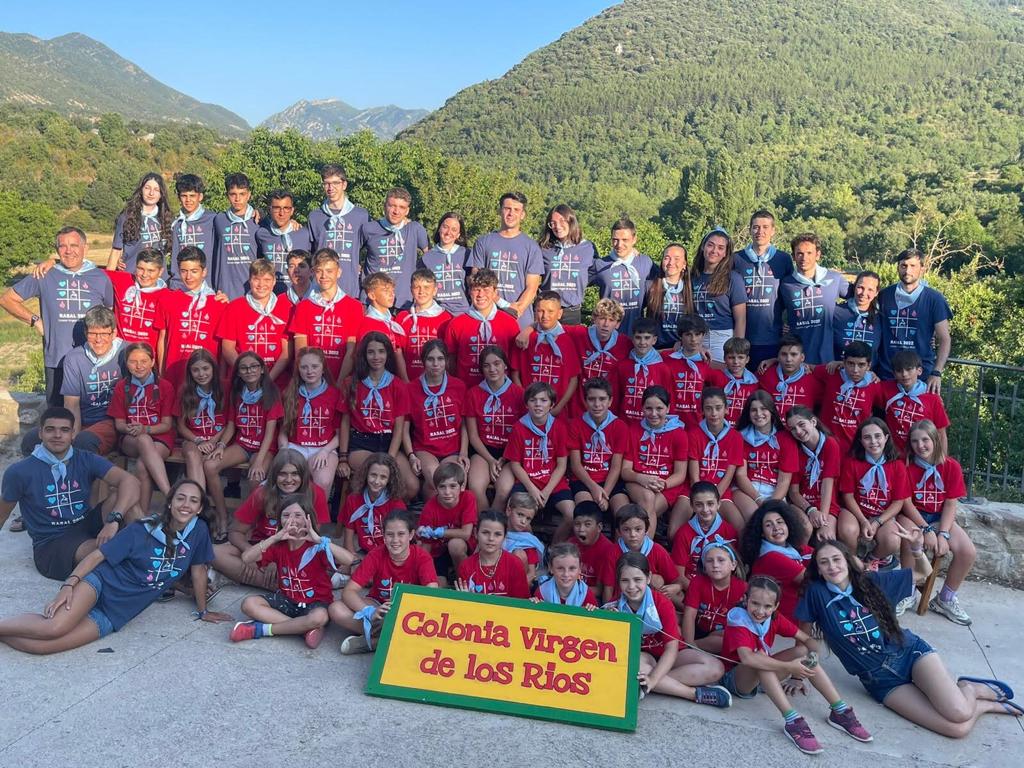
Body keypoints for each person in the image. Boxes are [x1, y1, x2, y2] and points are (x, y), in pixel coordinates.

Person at [799, 539, 1021, 737]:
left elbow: (923, 572)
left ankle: (970, 689)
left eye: (836, 559)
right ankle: (983, 705)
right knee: (957, 729)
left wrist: (916, 549)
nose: (832, 566)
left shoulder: (872, 581)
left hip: (909, 653)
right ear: (818, 570)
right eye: (824, 562)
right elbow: (804, 636)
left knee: (960, 713)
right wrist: (799, 674)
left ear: (848, 561)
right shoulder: (816, 593)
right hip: (879, 679)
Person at [0, 478, 231, 654]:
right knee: (53, 628)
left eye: (193, 501)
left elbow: (198, 571)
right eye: (180, 498)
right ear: (170, 503)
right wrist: (69, 585)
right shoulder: (143, 529)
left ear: (199, 508)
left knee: (43, 647)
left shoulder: (199, 531)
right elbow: (97, 556)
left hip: (117, 612)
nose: (186, 505)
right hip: (101, 584)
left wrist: (203, 611)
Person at [722, 575, 871, 755]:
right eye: (755, 603)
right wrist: (789, 668)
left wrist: (806, 665)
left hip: (764, 677)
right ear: (746, 599)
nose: (760, 611)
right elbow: (748, 659)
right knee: (760, 658)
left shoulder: (774, 618)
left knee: (802, 651)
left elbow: (808, 641)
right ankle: (793, 721)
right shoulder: (739, 620)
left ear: (776, 606)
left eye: (767, 606)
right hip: (737, 680)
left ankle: (840, 711)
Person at [0, 407, 141, 581]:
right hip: (53, 543)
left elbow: (131, 482)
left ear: (73, 434)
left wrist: (114, 519)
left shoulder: (85, 458)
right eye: (50, 429)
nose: (57, 435)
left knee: (126, 499)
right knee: (110, 551)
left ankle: (156, 552)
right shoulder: (19, 472)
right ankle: (149, 566)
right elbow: (2, 515)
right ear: (40, 433)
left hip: (85, 525)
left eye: (64, 430)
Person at [0, 226, 113, 407]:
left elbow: (110, 312)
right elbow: (7, 299)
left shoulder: (100, 277)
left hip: (93, 359)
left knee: (93, 414)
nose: (68, 251)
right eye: (62, 246)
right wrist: (35, 321)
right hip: (57, 359)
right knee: (58, 417)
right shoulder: (44, 275)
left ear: (85, 248)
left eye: (74, 245)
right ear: (57, 249)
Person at [610, 552, 731, 708]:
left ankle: (648, 684)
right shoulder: (614, 606)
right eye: (625, 580)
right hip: (644, 658)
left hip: (672, 655)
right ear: (618, 581)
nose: (631, 586)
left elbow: (672, 648)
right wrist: (598, 614)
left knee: (716, 668)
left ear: (648, 578)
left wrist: (653, 679)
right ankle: (693, 693)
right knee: (634, 666)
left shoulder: (662, 603)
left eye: (637, 580)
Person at [230, 498, 355, 649]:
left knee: (319, 617)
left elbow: (349, 560)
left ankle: (261, 629)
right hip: (287, 600)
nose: (292, 520)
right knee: (249, 604)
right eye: (286, 515)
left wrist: (319, 539)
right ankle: (303, 629)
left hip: (316, 603)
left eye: (298, 515)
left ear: (308, 519)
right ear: (280, 520)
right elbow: (246, 558)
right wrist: (274, 538)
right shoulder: (278, 545)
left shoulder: (318, 546)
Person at [212, 449, 330, 591]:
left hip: (296, 551)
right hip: (263, 547)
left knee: (322, 563)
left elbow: (310, 538)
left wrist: (277, 560)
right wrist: (252, 554)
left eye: (295, 474)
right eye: (283, 474)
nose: (289, 480)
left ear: (303, 475)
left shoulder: (316, 493)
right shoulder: (262, 494)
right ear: (274, 475)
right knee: (214, 553)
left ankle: (264, 581)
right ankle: (284, 586)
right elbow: (235, 532)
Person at [330, 508, 438, 655]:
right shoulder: (376, 554)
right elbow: (349, 591)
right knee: (336, 608)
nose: (395, 540)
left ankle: (374, 642)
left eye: (401, 534)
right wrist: (370, 612)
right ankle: (390, 639)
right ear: (384, 536)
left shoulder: (422, 557)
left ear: (411, 535)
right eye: (390, 534)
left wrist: (404, 613)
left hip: (409, 613)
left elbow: (432, 595)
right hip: (378, 605)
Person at [905, 419, 976, 625]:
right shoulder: (906, 466)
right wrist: (925, 529)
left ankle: (945, 599)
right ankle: (907, 592)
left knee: (967, 552)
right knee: (909, 538)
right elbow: (906, 504)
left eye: (925, 440)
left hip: (939, 518)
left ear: (935, 440)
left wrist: (943, 534)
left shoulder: (950, 466)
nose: (920, 445)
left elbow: (950, 504)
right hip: (913, 516)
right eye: (915, 441)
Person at [337, 332, 418, 497]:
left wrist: (390, 459)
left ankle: (387, 509)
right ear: (364, 355)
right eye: (371, 352)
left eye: (381, 351)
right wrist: (343, 457)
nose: (376, 357)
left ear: (388, 354)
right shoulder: (351, 383)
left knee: (412, 486)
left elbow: (398, 429)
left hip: (388, 442)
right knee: (377, 472)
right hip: (361, 443)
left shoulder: (398, 385)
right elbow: (345, 421)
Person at [495, 382, 574, 541]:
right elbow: (515, 464)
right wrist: (532, 489)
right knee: (519, 518)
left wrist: (546, 491)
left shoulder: (559, 427)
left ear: (552, 404)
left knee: (571, 515)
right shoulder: (519, 427)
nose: (538, 404)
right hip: (527, 481)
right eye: (533, 400)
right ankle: (530, 545)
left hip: (552, 481)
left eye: (543, 400)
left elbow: (561, 465)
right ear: (526, 404)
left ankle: (554, 549)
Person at [210, 352, 282, 526]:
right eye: (244, 368)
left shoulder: (272, 392)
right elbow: (231, 425)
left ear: (262, 369)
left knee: (255, 477)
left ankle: (249, 523)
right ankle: (222, 515)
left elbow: (270, 433)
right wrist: (221, 445)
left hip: (264, 448)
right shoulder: (237, 393)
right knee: (209, 465)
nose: (249, 371)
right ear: (239, 372)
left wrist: (258, 461)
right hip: (243, 444)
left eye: (254, 366)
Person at [107, 342, 174, 519]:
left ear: (152, 362)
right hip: (131, 438)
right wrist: (134, 429)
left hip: (160, 436)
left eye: (144, 361)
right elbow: (119, 424)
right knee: (143, 440)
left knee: (143, 466)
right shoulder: (122, 386)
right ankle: (170, 495)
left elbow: (167, 425)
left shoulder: (165, 386)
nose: (139, 366)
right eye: (133, 361)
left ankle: (142, 517)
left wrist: (146, 429)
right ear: (126, 363)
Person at [875, 248, 953, 392]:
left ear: (922, 269)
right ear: (898, 267)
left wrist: (937, 372)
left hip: (921, 378)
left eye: (913, 266)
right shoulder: (884, 295)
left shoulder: (934, 299)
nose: (907, 270)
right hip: (886, 375)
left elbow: (944, 339)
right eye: (903, 266)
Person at [838, 418, 912, 567]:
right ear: (861, 441)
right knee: (848, 530)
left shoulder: (897, 465)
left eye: (878, 436)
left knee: (892, 541)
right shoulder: (852, 462)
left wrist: (877, 522)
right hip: (856, 511)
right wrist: (863, 521)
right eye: (867, 437)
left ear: (886, 438)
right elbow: (848, 496)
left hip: (883, 515)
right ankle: (853, 561)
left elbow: (898, 502)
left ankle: (871, 560)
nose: (873, 441)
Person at [173, 349, 230, 538]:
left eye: (205, 369)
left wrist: (214, 441)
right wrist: (198, 440)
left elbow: (231, 421)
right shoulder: (185, 391)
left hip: (220, 440)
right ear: (190, 372)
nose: (201, 374)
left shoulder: (224, 387)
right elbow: (181, 426)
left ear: (213, 369)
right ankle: (199, 511)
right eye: (196, 370)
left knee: (209, 465)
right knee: (191, 454)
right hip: (193, 439)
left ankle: (221, 516)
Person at [156, 246, 229, 391]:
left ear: (204, 272)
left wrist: (221, 378)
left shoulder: (219, 303)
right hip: (175, 374)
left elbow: (223, 347)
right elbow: (163, 339)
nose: (188, 277)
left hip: (207, 378)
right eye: (184, 271)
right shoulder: (168, 299)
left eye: (194, 271)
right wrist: (162, 374)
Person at [54, 305, 124, 455]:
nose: (98, 340)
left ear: (114, 333)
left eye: (104, 334)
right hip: (84, 419)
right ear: (86, 333)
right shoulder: (74, 358)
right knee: (32, 440)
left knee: (84, 442)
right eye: (93, 333)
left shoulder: (126, 353)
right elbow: (71, 404)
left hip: (111, 421)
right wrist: (72, 434)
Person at [288, 248, 363, 385]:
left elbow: (351, 351)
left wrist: (338, 385)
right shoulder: (303, 307)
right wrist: (313, 383)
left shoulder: (354, 307)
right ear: (313, 272)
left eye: (329, 271)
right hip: (312, 383)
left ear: (338, 272)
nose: (324, 276)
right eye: (319, 271)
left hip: (341, 382)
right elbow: (301, 351)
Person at [621, 385, 689, 536]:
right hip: (637, 482)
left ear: (668, 408)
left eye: (659, 408)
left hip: (666, 485)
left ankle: (638, 546)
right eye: (648, 408)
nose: (653, 414)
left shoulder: (679, 434)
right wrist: (642, 478)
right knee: (647, 497)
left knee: (641, 513)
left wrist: (662, 484)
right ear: (642, 408)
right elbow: (625, 471)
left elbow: (680, 474)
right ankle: (646, 547)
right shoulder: (633, 430)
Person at [469, 192, 544, 329]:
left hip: (519, 320)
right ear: (500, 211)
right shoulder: (483, 242)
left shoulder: (532, 247)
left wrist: (517, 308)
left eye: (516, 210)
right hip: (487, 316)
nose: (511, 214)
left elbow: (532, 287)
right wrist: (499, 301)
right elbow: (476, 279)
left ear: (523, 215)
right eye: (507, 208)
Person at [404, 340, 469, 497]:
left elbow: (465, 424)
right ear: (423, 361)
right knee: (435, 479)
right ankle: (430, 510)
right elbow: (404, 429)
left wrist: (464, 452)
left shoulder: (459, 386)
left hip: (453, 449)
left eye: (440, 359)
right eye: (430, 359)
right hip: (425, 448)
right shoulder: (411, 389)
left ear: (446, 360)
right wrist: (411, 455)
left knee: (455, 484)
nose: (435, 364)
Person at [217, 258, 292, 390]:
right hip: (243, 382)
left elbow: (286, 352)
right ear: (250, 280)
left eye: (267, 279)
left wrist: (268, 379)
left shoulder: (286, 308)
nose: (261, 284)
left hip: (276, 382)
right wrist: (247, 373)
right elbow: (228, 349)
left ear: (274, 281)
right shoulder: (234, 307)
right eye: (256, 279)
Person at [465, 345, 524, 510]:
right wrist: (491, 460)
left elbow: (522, 434)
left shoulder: (519, 394)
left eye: (497, 363)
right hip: (483, 451)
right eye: (486, 365)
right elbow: (473, 435)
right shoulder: (473, 394)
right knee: (476, 487)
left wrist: (504, 458)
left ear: (505, 365)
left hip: (510, 453)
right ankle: (484, 522)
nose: (492, 369)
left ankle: (495, 523)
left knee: (504, 491)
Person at [778, 233, 849, 365]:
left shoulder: (834, 278)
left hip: (827, 360)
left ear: (818, 255)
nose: (804, 258)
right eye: (799, 253)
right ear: (793, 256)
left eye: (809, 253)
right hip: (796, 360)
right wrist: (783, 326)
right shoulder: (786, 284)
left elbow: (859, 299)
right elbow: (774, 312)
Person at [733, 211, 793, 366]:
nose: (760, 231)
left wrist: (789, 322)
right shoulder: (736, 259)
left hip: (773, 338)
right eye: (756, 227)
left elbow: (790, 295)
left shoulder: (783, 259)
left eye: (765, 227)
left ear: (773, 230)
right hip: (743, 337)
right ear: (750, 230)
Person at [443, 268, 521, 386]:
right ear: (470, 292)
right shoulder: (456, 324)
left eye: (486, 289)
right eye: (476, 289)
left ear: (495, 292)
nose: (480, 294)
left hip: (501, 389)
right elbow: (451, 361)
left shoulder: (509, 323)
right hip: (467, 389)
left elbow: (515, 362)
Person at [279, 348, 341, 493]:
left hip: (323, 447)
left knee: (323, 480)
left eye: (314, 366)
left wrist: (325, 451)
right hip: (295, 446)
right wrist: (284, 449)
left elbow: (340, 434)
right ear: (298, 370)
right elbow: (283, 430)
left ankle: (318, 509)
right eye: (304, 367)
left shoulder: (335, 394)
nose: (309, 371)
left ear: (323, 368)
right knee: (285, 479)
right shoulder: (289, 393)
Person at [741, 500, 813, 624]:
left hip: (800, 617)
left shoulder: (793, 549)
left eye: (780, 522)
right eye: (768, 525)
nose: (776, 528)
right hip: (786, 624)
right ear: (762, 533)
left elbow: (823, 556)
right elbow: (811, 579)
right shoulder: (770, 557)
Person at [512, 291, 580, 416]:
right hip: (528, 410)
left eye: (550, 311)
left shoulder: (567, 341)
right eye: (540, 311)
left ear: (559, 313)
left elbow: (573, 379)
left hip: (557, 411)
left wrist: (559, 407)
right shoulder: (526, 339)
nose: (545, 316)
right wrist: (526, 400)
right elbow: (515, 374)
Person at [733, 391, 798, 522]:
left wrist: (772, 503)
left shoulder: (785, 439)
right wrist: (758, 499)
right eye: (754, 410)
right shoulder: (741, 437)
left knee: (777, 521)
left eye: (763, 409)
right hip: (747, 490)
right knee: (755, 518)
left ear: (771, 411)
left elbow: (784, 481)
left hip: (775, 491)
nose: (758, 414)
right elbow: (741, 475)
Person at [307, 164, 370, 299]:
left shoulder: (361, 215)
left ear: (344, 185)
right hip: (321, 289)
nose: (331, 188)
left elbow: (371, 246)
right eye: (327, 183)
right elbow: (310, 251)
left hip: (350, 288)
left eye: (335, 183)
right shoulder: (315, 216)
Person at [568, 377, 630, 513]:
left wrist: (605, 495)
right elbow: (576, 465)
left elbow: (616, 467)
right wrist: (594, 488)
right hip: (584, 480)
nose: (597, 404)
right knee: (587, 512)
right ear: (585, 401)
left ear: (610, 401)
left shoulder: (620, 426)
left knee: (624, 513)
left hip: (610, 481)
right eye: (592, 399)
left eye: (602, 399)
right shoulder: (576, 425)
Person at [362, 187, 429, 310]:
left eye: (402, 207)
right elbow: (353, 255)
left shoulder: (415, 229)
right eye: (392, 206)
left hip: (404, 301)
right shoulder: (368, 228)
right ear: (384, 206)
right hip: (373, 301)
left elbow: (429, 258)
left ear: (407, 211)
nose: (396, 211)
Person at [686, 387, 744, 530]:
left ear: (726, 409)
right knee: (674, 530)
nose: (714, 413)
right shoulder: (693, 434)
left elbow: (729, 475)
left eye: (718, 408)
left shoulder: (736, 437)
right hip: (694, 490)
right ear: (702, 411)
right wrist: (700, 501)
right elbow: (694, 477)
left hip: (721, 492)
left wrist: (713, 501)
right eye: (708, 408)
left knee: (740, 527)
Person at [814, 340, 883, 454]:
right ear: (844, 362)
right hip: (826, 444)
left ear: (869, 366)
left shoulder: (874, 384)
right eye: (850, 363)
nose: (855, 370)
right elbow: (806, 368)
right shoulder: (832, 372)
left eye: (861, 365)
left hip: (856, 449)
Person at [565, 298, 632, 416]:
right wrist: (531, 328)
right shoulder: (579, 334)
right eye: (602, 318)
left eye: (611, 320)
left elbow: (647, 351)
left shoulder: (625, 343)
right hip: (579, 408)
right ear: (594, 319)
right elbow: (552, 327)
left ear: (618, 324)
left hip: (608, 411)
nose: (606, 324)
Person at [589, 217, 656, 335]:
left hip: (637, 336)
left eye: (625, 240)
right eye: (615, 240)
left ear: (634, 239)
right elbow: (577, 281)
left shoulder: (645, 262)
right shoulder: (601, 264)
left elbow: (666, 279)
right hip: (608, 334)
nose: (619, 245)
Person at [786, 406, 841, 543]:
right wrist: (810, 510)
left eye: (801, 424)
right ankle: (801, 555)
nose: (798, 431)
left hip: (826, 504)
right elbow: (793, 492)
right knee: (805, 528)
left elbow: (827, 484)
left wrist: (823, 518)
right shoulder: (794, 448)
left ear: (813, 422)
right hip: (802, 504)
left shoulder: (830, 444)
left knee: (827, 538)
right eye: (793, 429)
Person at [681, 538, 746, 654]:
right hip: (698, 628)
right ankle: (689, 646)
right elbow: (690, 615)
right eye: (709, 561)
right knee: (675, 623)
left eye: (721, 560)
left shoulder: (743, 587)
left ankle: (694, 646)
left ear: (733, 565)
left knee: (727, 639)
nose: (715, 565)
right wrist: (689, 643)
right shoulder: (697, 582)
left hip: (722, 632)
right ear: (704, 567)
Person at [690, 228, 747, 362]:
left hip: (722, 338)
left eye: (721, 248)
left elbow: (741, 319)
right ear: (703, 247)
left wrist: (737, 349)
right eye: (710, 245)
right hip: (695, 337)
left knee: (719, 374)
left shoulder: (733, 278)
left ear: (725, 253)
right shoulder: (692, 277)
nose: (714, 250)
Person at [610, 505, 683, 606]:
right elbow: (608, 587)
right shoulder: (613, 552)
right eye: (626, 529)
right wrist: (607, 609)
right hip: (622, 602)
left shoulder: (657, 551)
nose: (633, 534)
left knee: (658, 581)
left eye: (638, 529)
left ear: (646, 530)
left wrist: (676, 587)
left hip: (654, 603)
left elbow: (677, 581)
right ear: (618, 531)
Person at [416, 463, 477, 585]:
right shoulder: (430, 508)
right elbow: (426, 546)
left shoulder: (468, 497)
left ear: (462, 486)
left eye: (453, 486)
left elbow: (466, 533)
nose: (447, 492)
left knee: (455, 545)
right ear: (436, 488)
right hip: (439, 552)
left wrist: (439, 532)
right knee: (439, 586)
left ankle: (464, 583)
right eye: (442, 487)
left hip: (464, 548)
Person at [881, 349, 950, 456]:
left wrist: (943, 461)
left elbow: (941, 433)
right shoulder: (886, 389)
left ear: (919, 371)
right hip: (895, 456)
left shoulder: (932, 397)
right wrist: (870, 375)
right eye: (899, 371)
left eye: (909, 369)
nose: (904, 374)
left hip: (922, 456)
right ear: (894, 374)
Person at [538, 204, 598, 326]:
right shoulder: (543, 248)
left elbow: (599, 270)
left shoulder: (588, 248)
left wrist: (630, 253)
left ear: (571, 221)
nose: (557, 226)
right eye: (553, 223)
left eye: (562, 221)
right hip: (546, 310)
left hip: (572, 311)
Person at [671, 481, 738, 588]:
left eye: (710, 504)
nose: (705, 509)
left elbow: (733, 570)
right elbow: (680, 575)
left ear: (718, 504)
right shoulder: (684, 533)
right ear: (692, 506)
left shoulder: (729, 531)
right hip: (690, 585)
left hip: (720, 586)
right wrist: (699, 593)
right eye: (699, 505)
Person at [342, 453, 408, 555]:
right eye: (373, 475)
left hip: (390, 554)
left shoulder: (396, 504)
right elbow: (348, 539)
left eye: (383, 477)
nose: (377, 481)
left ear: (389, 480)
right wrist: (353, 560)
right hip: (366, 554)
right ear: (366, 474)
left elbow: (400, 543)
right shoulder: (353, 499)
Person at [664, 314, 723, 429]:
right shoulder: (668, 359)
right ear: (680, 336)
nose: (693, 339)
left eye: (697, 334)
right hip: (670, 423)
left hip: (697, 424)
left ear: (703, 335)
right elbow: (647, 352)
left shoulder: (707, 363)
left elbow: (723, 382)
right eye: (688, 334)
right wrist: (673, 348)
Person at [455, 510, 530, 598]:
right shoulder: (466, 566)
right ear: (476, 533)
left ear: (505, 536)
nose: (491, 538)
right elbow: (464, 602)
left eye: (497, 534)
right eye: (485, 533)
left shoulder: (515, 564)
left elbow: (522, 601)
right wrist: (465, 598)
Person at [109, 172, 172, 275]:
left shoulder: (167, 218)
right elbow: (116, 251)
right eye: (147, 188)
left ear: (161, 194)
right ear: (141, 190)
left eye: (156, 190)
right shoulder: (126, 217)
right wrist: (108, 281)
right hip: (132, 277)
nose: (151, 193)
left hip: (159, 279)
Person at [106, 248, 168, 352]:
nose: (144, 275)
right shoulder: (122, 280)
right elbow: (92, 274)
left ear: (161, 271)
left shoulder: (167, 296)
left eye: (151, 271)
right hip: (119, 353)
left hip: (147, 356)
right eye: (140, 269)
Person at [396, 269, 452, 380]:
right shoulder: (402, 317)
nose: (421, 291)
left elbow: (449, 356)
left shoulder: (446, 318)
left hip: (438, 382)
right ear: (411, 290)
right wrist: (405, 382)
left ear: (435, 290)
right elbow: (398, 352)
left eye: (426, 287)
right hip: (410, 381)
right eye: (417, 287)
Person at [614, 317, 673, 422]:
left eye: (647, 338)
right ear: (632, 339)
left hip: (651, 423)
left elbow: (667, 398)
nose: (642, 342)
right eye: (638, 337)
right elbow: (616, 397)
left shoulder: (663, 369)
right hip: (625, 422)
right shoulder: (623, 366)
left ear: (654, 340)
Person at [211, 173, 260, 300]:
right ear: (227, 195)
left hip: (252, 291)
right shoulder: (218, 219)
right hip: (224, 292)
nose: (237, 199)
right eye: (233, 194)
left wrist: (294, 223)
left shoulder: (259, 221)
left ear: (249, 195)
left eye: (242, 194)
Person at [255, 189, 313, 292]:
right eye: (276, 208)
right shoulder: (261, 234)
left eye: (286, 208)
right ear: (269, 209)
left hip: (299, 295)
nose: (281, 213)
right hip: (270, 295)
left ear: (292, 210)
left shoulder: (305, 234)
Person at [757, 334, 822, 420]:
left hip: (799, 428)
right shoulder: (764, 374)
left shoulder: (813, 380)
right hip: (771, 427)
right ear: (778, 356)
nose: (788, 359)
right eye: (784, 354)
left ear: (802, 357)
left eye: (793, 354)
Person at [359, 271, 410, 381]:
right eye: (386, 291)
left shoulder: (392, 322)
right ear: (372, 295)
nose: (392, 295)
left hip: (393, 380)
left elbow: (398, 353)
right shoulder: (367, 325)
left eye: (392, 291)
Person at [420, 211, 471, 315]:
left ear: (458, 235)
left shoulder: (467, 254)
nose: (448, 232)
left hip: (463, 313)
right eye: (445, 227)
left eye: (454, 229)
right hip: (436, 313)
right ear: (439, 228)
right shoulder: (426, 258)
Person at [169, 174, 217, 283]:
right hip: (184, 285)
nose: (188, 200)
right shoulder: (177, 224)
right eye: (184, 196)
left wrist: (253, 212)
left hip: (208, 284)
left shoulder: (213, 219)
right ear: (179, 197)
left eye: (192, 195)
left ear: (200, 197)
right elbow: (175, 256)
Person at [645, 243, 694, 349]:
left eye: (677, 259)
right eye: (667, 258)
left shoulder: (691, 288)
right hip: (655, 349)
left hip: (682, 349)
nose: (671, 263)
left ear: (684, 264)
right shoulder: (650, 286)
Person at [566, 501, 617, 596]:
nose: (581, 529)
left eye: (587, 524)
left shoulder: (607, 550)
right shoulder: (570, 544)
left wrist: (572, 590)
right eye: (577, 524)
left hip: (591, 597)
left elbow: (601, 590)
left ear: (599, 527)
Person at [832, 270, 881, 362]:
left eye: (870, 290)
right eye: (860, 287)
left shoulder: (881, 318)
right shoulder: (836, 312)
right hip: (839, 369)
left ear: (876, 292)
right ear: (854, 287)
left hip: (870, 371)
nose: (864, 293)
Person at [531, 543, 599, 608]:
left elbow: (596, 614)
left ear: (580, 569)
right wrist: (534, 604)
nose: (566, 574)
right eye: (560, 568)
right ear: (551, 568)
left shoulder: (585, 594)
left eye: (572, 568)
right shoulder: (542, 592)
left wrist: (591, 609)